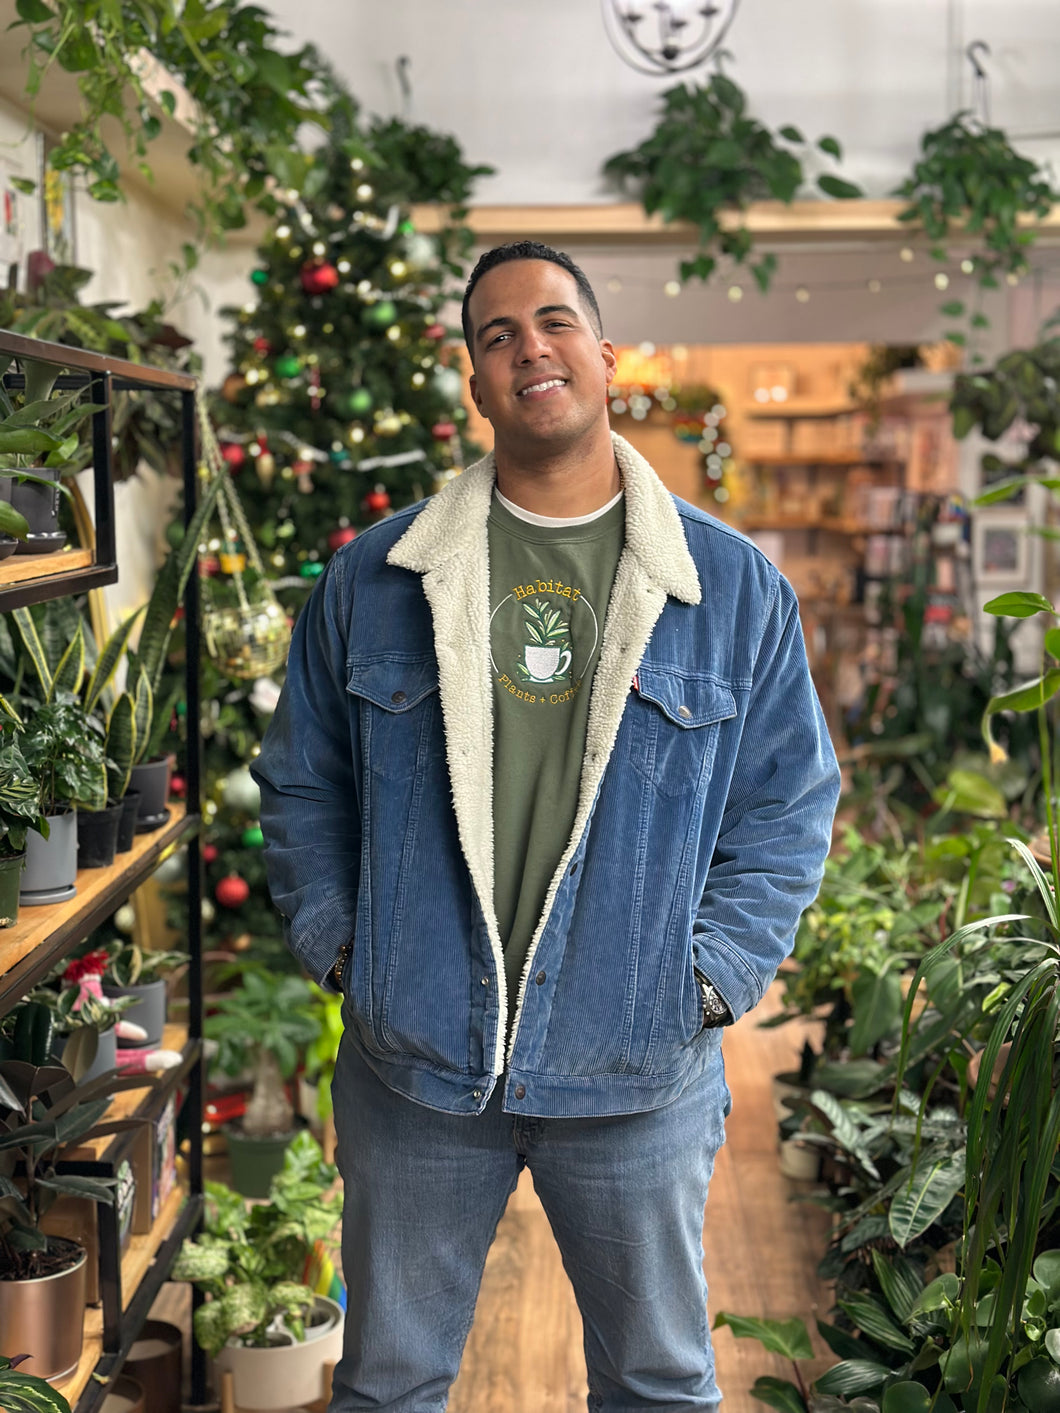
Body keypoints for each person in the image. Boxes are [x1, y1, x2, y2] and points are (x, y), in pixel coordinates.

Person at [252, 240, 841, 1413]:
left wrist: (711, 978)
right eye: (496, 335)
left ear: (606, 357)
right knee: (385, 1386)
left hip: (635, 1068)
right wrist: (340, 947)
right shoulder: (373, 578)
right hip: (415, 1064)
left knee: (659, 1385)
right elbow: (302, 783)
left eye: (555, 322)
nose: (530, 347)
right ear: (474, 384)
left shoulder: (731, 590)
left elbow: (788, 807)